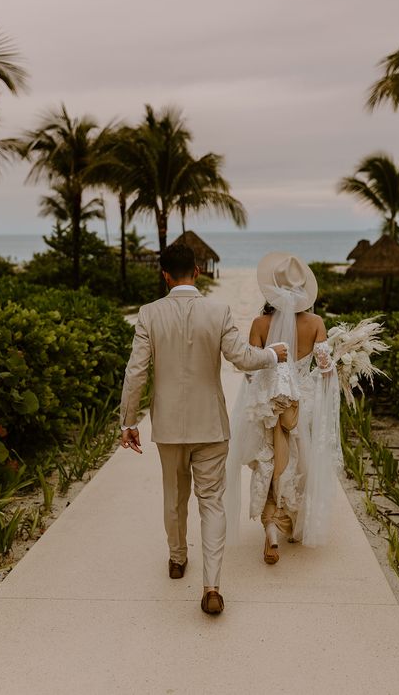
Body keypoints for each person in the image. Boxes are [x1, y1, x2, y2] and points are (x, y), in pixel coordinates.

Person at [119, 244, 288, 615]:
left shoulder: (149, 314)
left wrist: (129, 420)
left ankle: (177, 559)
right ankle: (212, 586)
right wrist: (274, 354)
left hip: (167, 428)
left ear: (165, 275)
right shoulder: (218, 311)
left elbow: (136, 371)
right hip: (211, 426)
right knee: (211, 502)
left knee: (174, 497)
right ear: (196, 271)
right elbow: (243, 357)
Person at [225, 252, 342, 565]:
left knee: (268, 464)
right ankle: (288, 524)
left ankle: (271, 528)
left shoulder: (260, 324)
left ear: (271, 290)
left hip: (267, 407)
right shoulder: (316, 323)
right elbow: (325, 368)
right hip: (304, 406)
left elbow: (250, 370)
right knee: (299, 466)